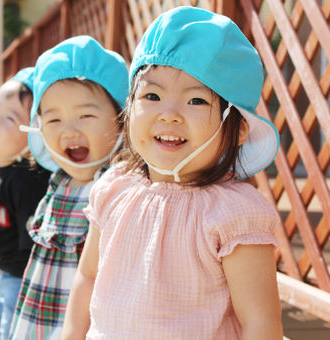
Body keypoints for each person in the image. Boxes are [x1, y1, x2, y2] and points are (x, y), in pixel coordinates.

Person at [62, 7, 283, 340]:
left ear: (237, 128)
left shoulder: (234, 214)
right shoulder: (114, 187)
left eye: (196, 101)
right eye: (152, 95)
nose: (169, 115)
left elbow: (260, 321)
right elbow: (88, 278)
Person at [10, 35, 128, 340]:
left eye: (86, 115)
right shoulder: (57, 182)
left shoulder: (119, 188)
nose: (69, 130)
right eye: (53, 119)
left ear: (121, 120)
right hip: (38, 319)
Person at [0, 67, 51, 340]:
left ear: (33, 139)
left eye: (10, 118)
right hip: (3, 269)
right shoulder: (1, 166)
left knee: (8, 328)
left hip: (18, 278)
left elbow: (31, 237)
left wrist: (10, 271)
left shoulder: (25, 181)